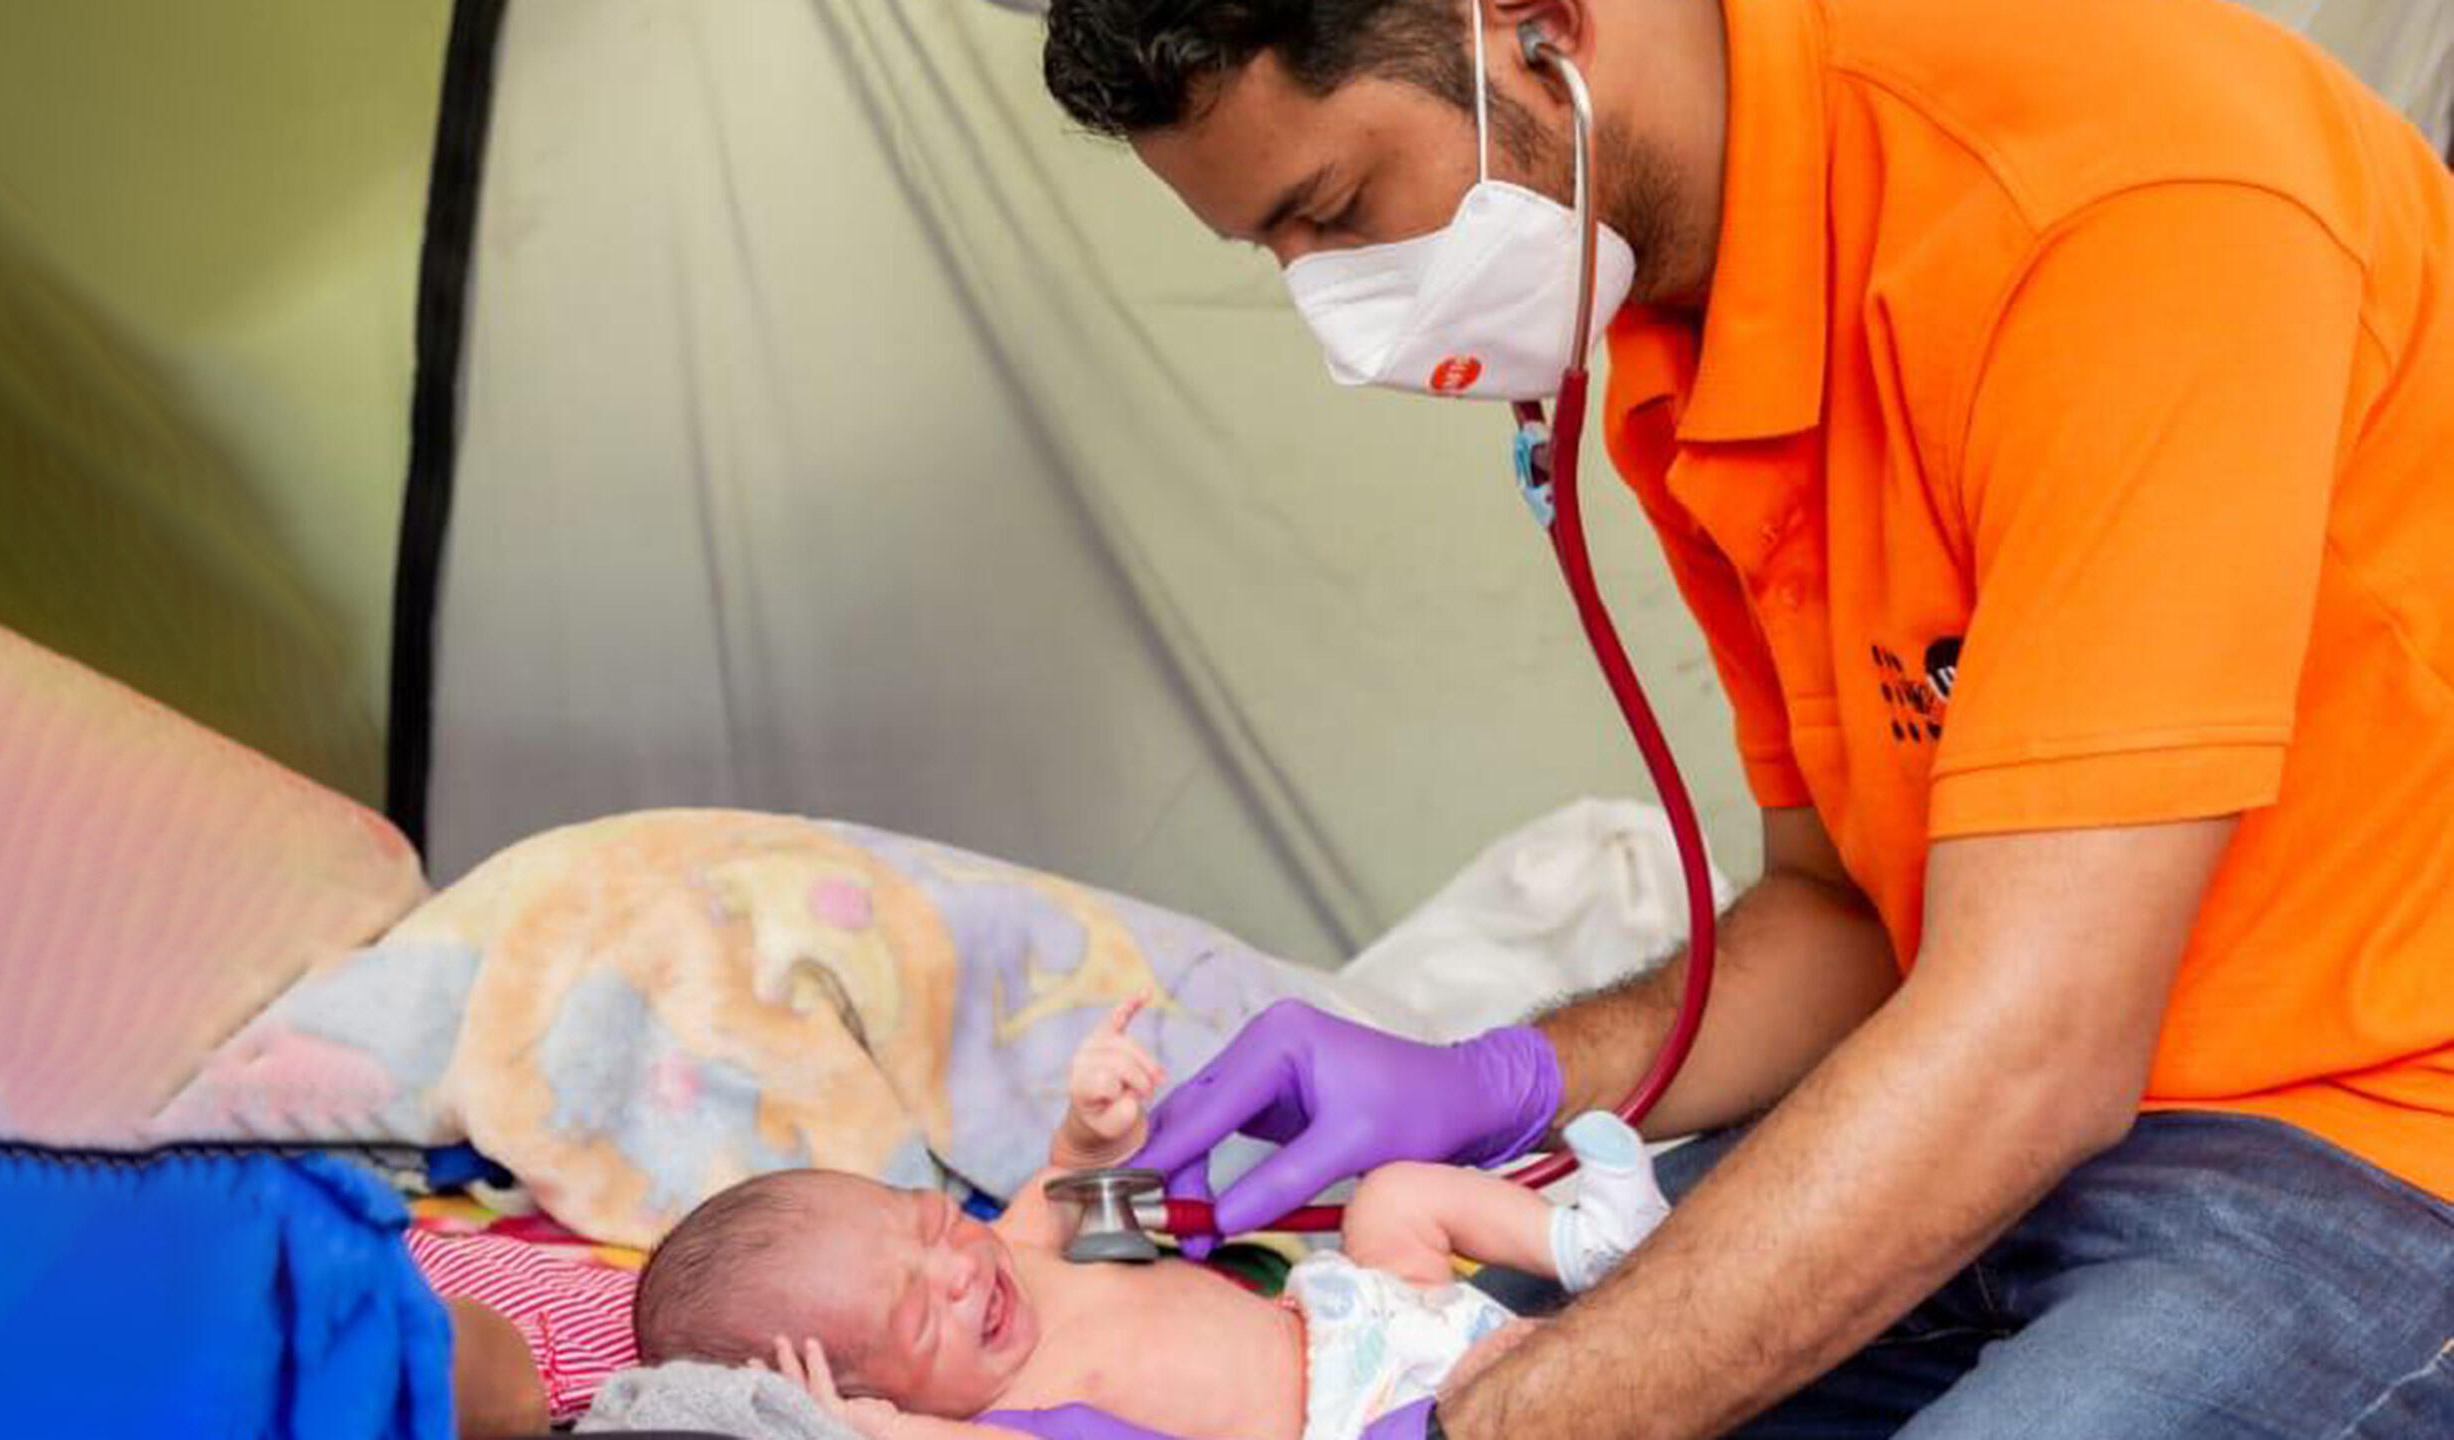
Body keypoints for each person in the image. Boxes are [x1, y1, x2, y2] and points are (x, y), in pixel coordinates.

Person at [1015, 0, 2454, 1435]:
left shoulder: (2126, 201)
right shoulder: (1679, 311)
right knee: (1370, 1373)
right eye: (1275, 250)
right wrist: (1500, 1082)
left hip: (2373, 1143)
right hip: (2022, 1114)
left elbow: (2037, 1046)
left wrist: (1511, 1426)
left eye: (1334, 209)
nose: (1334, 311)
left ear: (1535, 22)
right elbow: (1844, 915)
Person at [629, 1000, 1660, 1440]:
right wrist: (857, 1431)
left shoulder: (1025, 1254)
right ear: (876, 1394)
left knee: (1394, 1193)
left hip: (1355, 1313)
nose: (955, 1269)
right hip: (1352, 1426)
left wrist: (1093, 1120)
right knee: (1510, 1396)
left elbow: (1082, 1179)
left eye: (928, 1220)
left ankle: (1584, 1241)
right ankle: (1570, 1347)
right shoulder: (985, 1415)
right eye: (914, 1314)